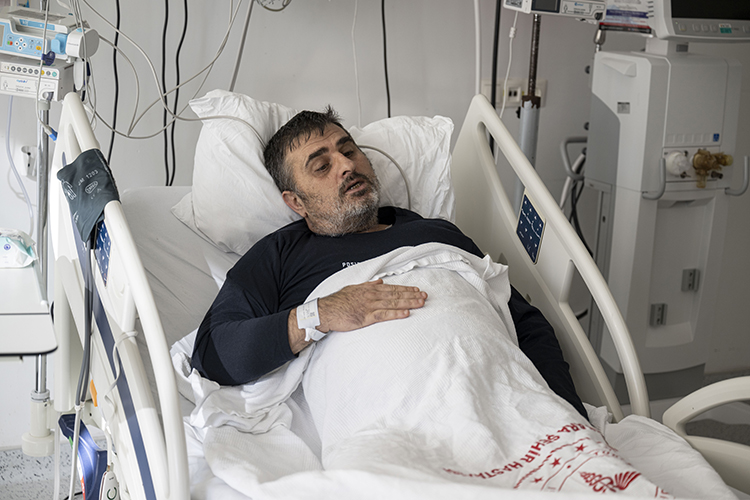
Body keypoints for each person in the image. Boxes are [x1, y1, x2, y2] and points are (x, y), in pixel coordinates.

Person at [191, 106, 587, 419]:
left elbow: (526, 325)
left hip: (504, 396)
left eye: (349, 150)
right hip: (393, 411)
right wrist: (320, 314)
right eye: (322, 166)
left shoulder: (436, 233)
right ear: (296, 202)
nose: (347, 166)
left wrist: (566, 416)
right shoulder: (280, 255)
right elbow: (214, 354)